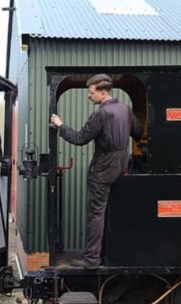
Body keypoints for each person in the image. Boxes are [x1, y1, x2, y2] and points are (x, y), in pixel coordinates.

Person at [50, 74, 142, 268]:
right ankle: (111, 253)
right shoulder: (125, 109)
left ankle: (92, 259)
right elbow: (138, 132)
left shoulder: (101, 114)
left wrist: (61, 126)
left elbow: (79, 138)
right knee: (113, 211)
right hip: (122, 164)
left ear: (102, 92)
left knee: (96, 214)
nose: (88, 96)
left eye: (91, 93)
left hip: (103, 167)